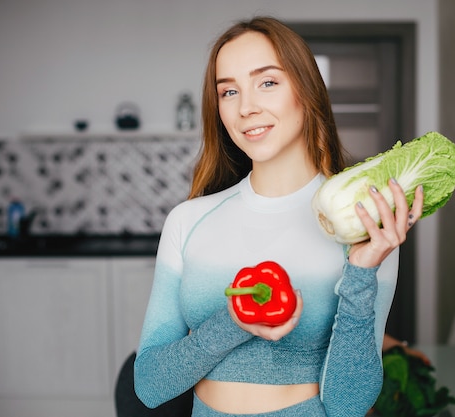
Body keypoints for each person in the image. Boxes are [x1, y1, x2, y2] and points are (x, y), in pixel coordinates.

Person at [133, 16, 424, 417]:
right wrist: (235, 322)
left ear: (305, 90)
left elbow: (349, 405)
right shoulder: (187, 221)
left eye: (267, 82)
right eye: (229, 91)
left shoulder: (365, 227)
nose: (247, 107)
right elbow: (149, 385)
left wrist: (361, 271)